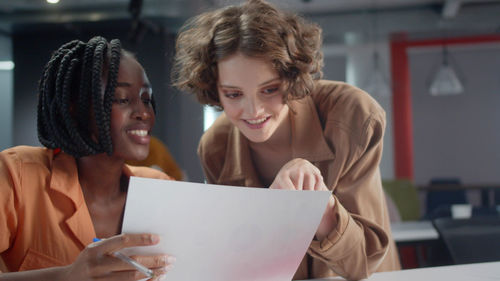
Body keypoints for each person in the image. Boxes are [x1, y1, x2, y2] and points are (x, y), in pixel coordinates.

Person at [172, 0, 400, 280]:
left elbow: (364, 263)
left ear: (291, 78)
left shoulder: (353, 115)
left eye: (269, 89)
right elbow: (242, 257)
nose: (253, 111)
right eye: (233, 94)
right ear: (214, 90)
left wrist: (317, 204)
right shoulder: (214, 147)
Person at [0, 36, 175, 280]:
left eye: (146, 99)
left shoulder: (161, 188)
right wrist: (67, 276)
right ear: (75, 106)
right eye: (123, 99)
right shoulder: (16, 174)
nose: (143, 113)